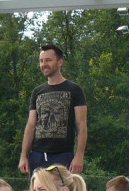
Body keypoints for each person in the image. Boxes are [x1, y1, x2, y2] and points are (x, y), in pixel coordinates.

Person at [18, 45, 87, 175]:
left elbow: (81, 126)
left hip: (63, 155)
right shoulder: (37, 92)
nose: (44, 64)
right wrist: (23, 156)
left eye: (48, 60)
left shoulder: (74, 90)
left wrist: (79, 156)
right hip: (37, 155)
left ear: (60, 62)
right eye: (41, 60)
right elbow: (31, 125)